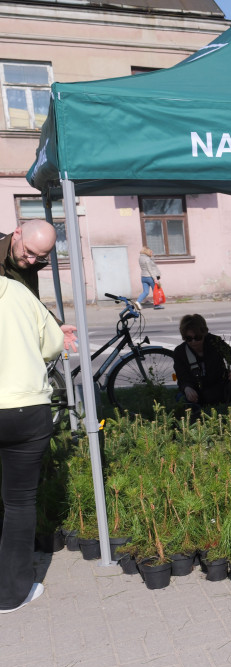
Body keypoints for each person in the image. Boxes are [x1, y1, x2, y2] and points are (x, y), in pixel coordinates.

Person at [0, 277, 76, 613]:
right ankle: (11, 594)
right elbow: (52, 345)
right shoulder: (17, 291)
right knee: (18, 502)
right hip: (25, 408)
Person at [1, 220, 77, 352]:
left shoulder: (26, 263)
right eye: (29, 251)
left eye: (40, 257)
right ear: (18, 233)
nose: (31, 260)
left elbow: (32, 303)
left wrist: (55, 326)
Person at [172, 314, 231, 414]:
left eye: (197, 337)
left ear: (204, 333)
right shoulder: (180, 352)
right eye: (188, 338)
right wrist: (187, 388)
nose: (193, 342)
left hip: (221, 389)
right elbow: (182, 377)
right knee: (180, 398)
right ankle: (194, 421)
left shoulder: (215, 342)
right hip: (198, 393)